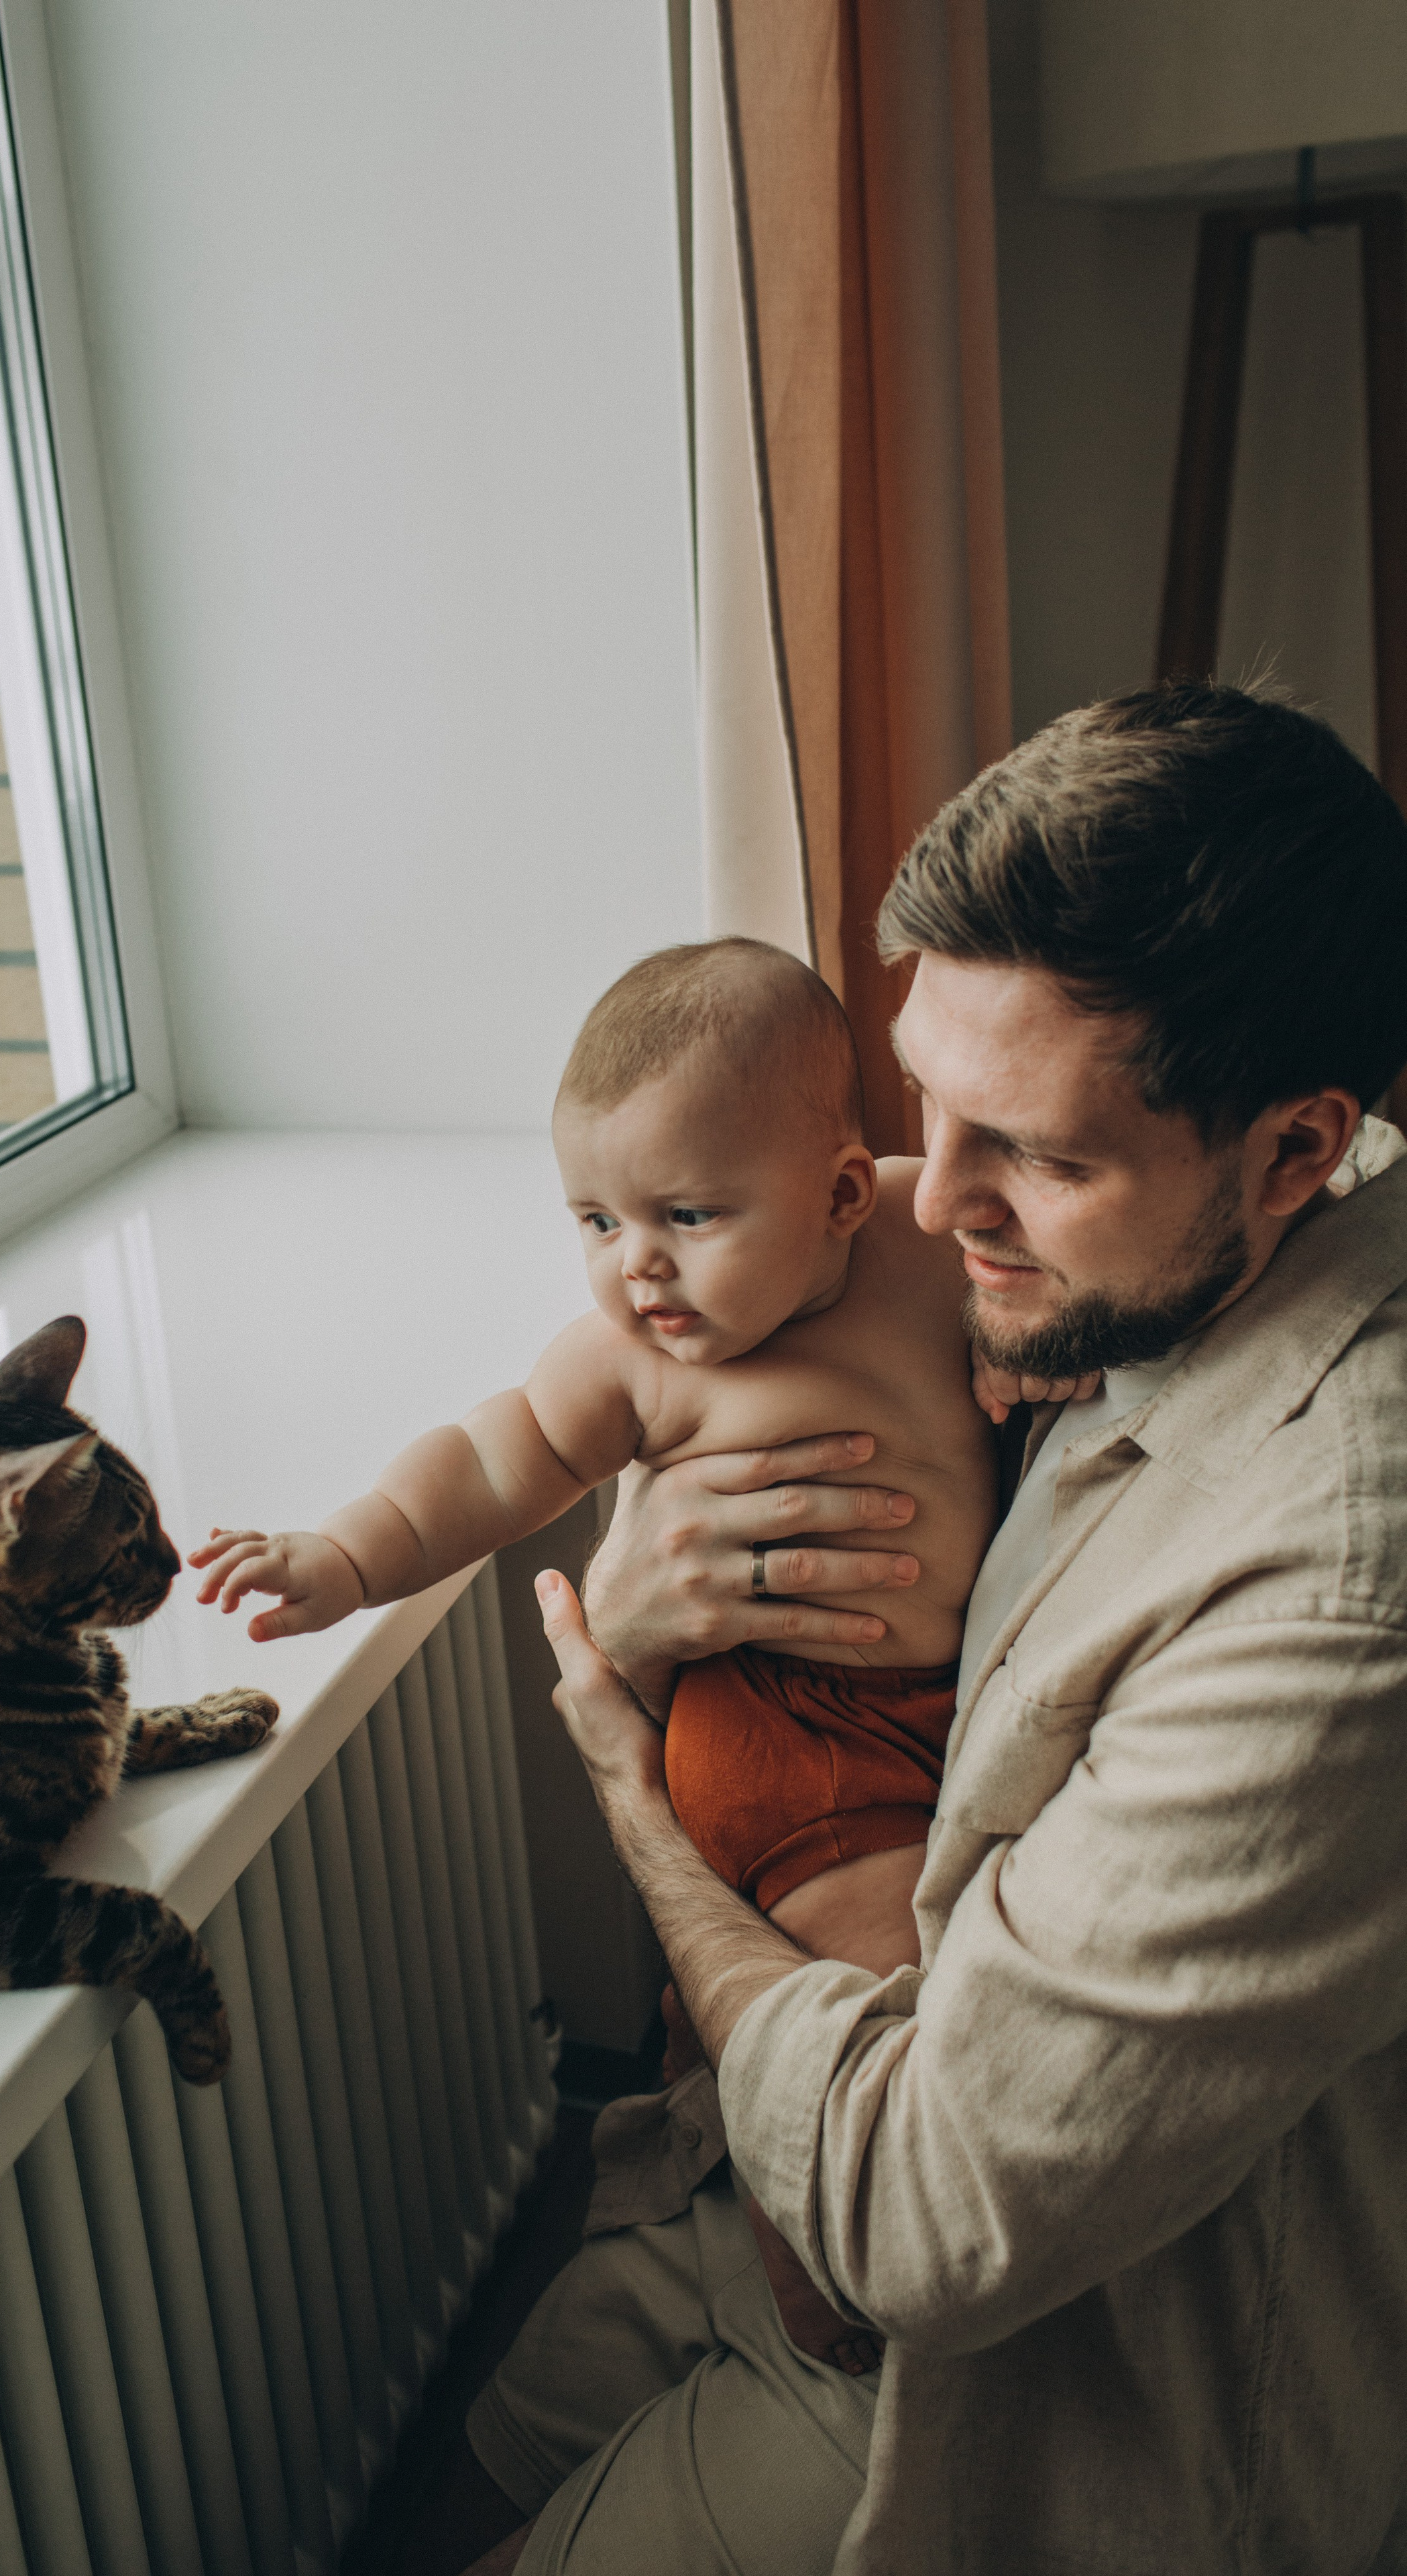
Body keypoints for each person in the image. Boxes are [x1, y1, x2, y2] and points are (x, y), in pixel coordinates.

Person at [450, 682, 1407, 2576]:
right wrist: (642, 1618)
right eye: (923, 1102)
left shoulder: (1338, 1588)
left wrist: (638, 1802)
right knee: (473, 2455)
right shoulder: (1146, 1255)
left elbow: (922, 2222)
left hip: (1019, 2381)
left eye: (1035, 1154)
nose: (932, 1199)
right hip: (767, 2144)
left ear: (1296, 1152)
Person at [190, 938, 1084, 1982]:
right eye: (599, 1221)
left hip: (962, 1687)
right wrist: (345, 1557)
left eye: (688, 1216)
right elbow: (483, 1465)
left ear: (841, 1196)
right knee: (907, 1976)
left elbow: (1045, 1264)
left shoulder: (919, 1229)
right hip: (786, 1738)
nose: (638, 1265)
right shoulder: (622, 1367)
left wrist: (1033, 1343)